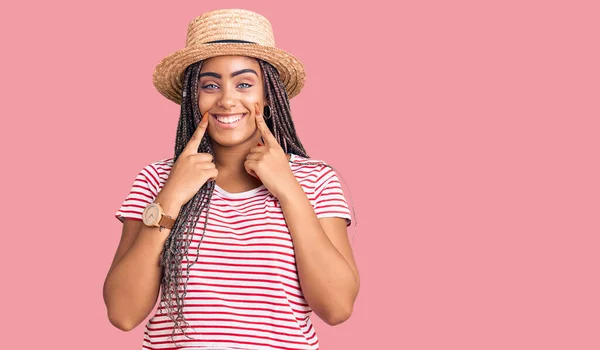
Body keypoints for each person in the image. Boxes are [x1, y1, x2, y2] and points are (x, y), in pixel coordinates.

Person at [103, 9, 359, 350]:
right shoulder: (157, 179)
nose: (226, 99)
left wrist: (289, 190)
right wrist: (170, 200)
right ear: (193, 97)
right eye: (210, 85)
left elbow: (337, 308)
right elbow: (123, 313)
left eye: (244, 84)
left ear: (267, 97)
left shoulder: (315, 180)